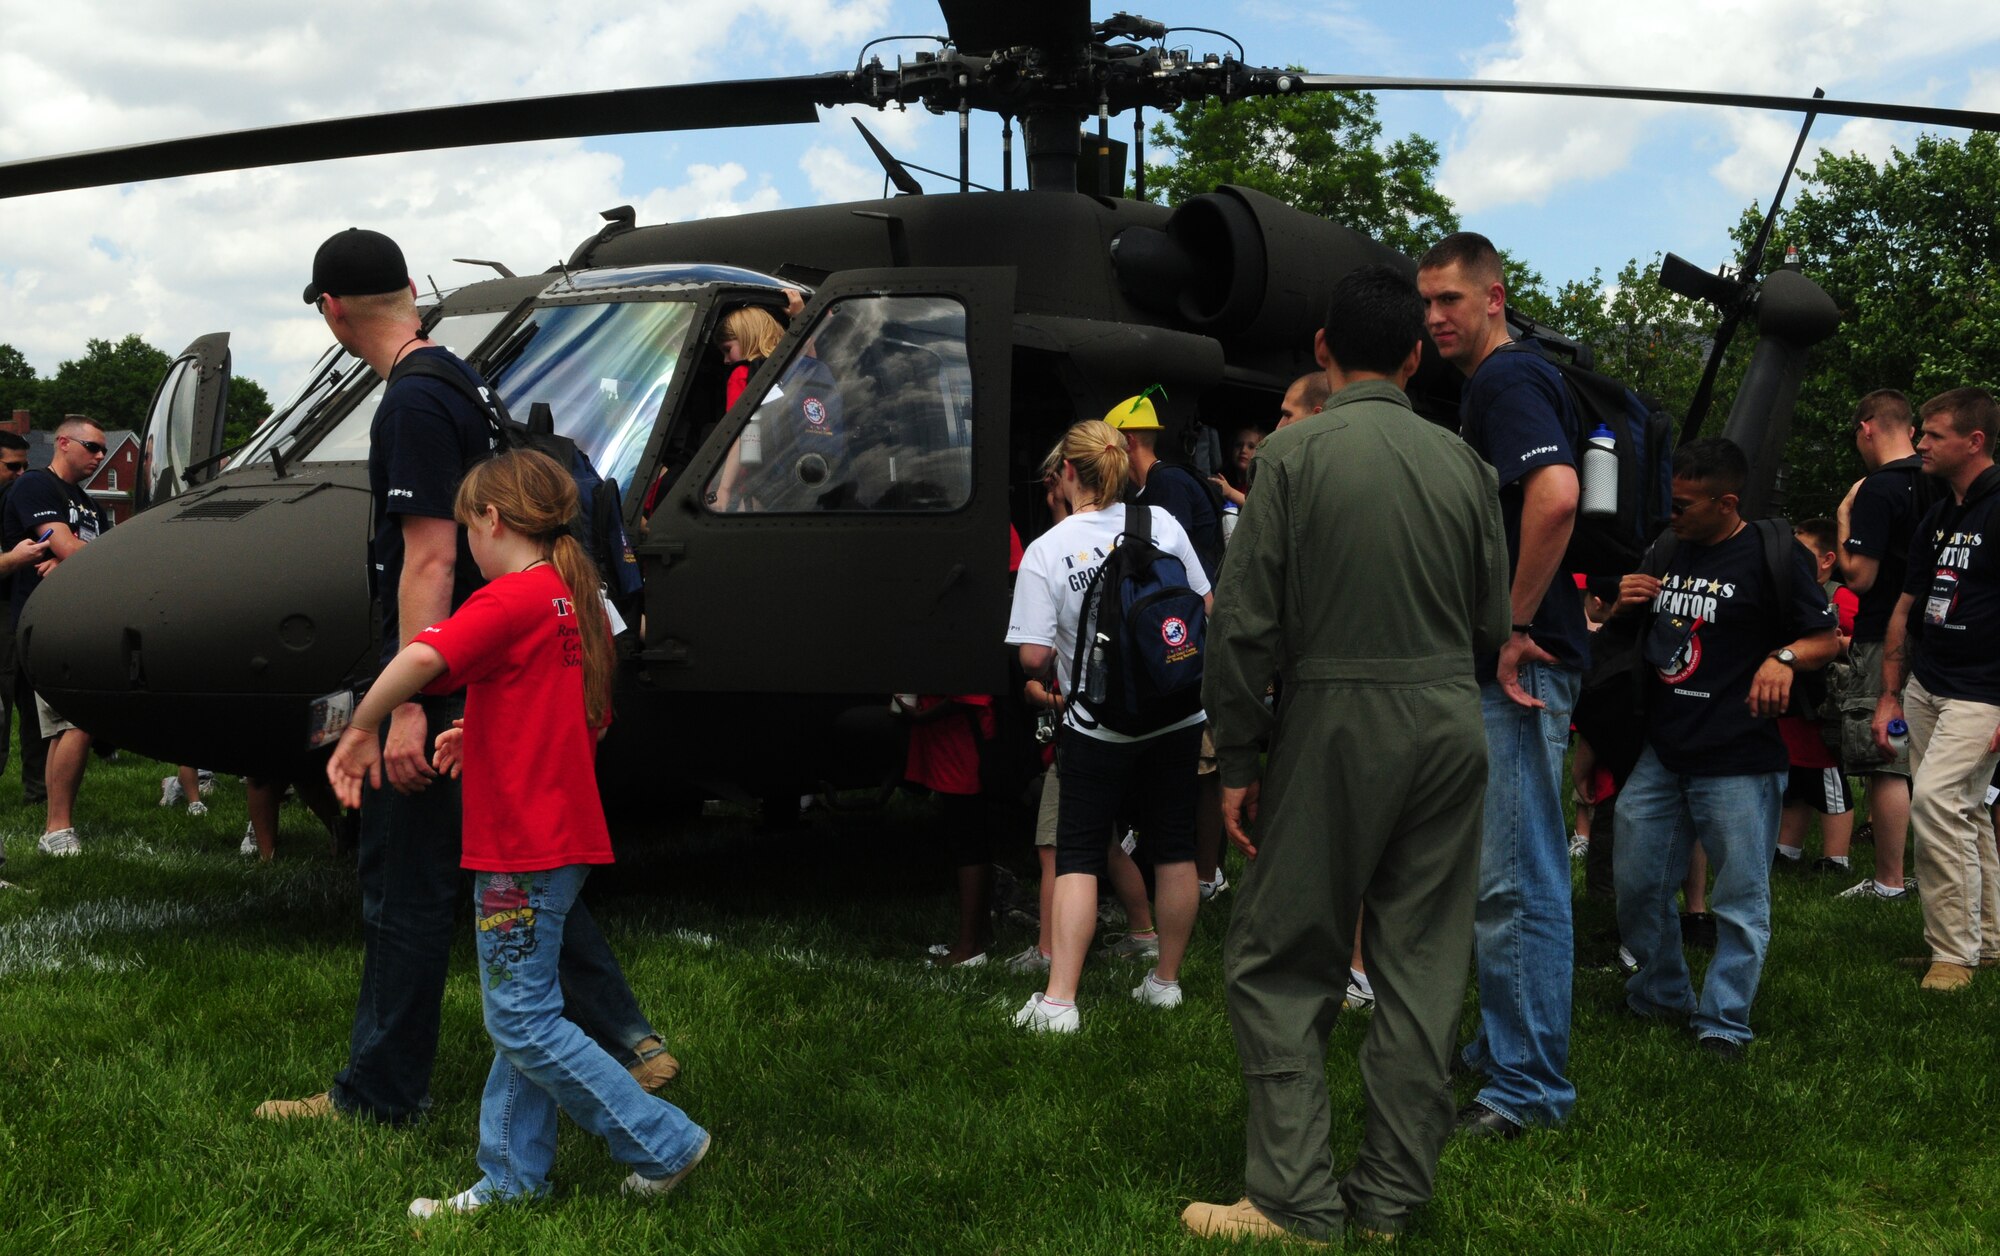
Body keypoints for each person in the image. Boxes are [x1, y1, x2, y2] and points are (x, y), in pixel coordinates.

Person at [257, 228, 677, 1123]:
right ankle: (628, 1038)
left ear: (331, 311)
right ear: (411, 288)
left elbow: (430, 562)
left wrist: (406, 707)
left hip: (440, 676)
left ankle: (377, 1095)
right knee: (509, 868)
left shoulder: (409, 402)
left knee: (404, 890)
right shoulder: (460, 378)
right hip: (488, 673)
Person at [1183, 264, 1508, 1244]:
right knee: (1421, 959)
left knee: (1277, 957)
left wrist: (1236, 754)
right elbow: (1492, 620)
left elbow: (1241, 626)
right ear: (1414, 354)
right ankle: (1389, 1199)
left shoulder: (1290, 456)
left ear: (1320, 350)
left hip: (1334, 716)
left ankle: (1289, 1196)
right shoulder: (1467, 465)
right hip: (1451, 717)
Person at [328, 449, 709, 1216]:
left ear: (490, 521)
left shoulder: (511, 598)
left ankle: (664, 1142)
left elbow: (421, 655)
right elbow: (578, 711)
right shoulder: (574, 596)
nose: (467, 541)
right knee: (524, 1012)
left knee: (522, 1019)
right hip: (556, 839)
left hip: (523, 849)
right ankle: (510, 1177)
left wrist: (362, 725)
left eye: (468, 526)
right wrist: (482, 729)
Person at [1417, 231, 1588, 1138]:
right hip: (1524, 658)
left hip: (1523, 666)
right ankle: (1504, 1048)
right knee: (1507, 870)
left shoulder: (1506, 380)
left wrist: (1513, 627)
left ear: (1495, 296)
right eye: (1427, 302)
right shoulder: (1501, 382)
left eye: (1451, 299)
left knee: (1514, 879)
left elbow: (1555, 494)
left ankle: (1527, 1091)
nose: (1436, 316)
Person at [1598, 438, 1838, 1058]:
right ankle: (1661, 992)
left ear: (1727, 502)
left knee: (1740, 896)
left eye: (1684, 505)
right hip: (1664, 746)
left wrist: (1783, 657)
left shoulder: (1771, 555)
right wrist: (1624, 603)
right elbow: (1638, 632)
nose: (1671, 514)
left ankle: (1724, 1021)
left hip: (1739, 756)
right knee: (1637, 881)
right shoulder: (1668, 547)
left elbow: (1827, 638)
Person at [1004, 419, 1211, 1032]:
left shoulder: (1048, 549)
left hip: (1099, 726)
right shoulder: (1162, 526)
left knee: (1076, 856)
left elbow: (1034, 658)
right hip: (1176, 715)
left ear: (1067, 472)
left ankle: (1060, 1001)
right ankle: (1165, 982)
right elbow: (1202, 605)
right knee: (1174, 847)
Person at [1871, 387, 2000, 991]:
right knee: (1967, 812)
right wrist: (1892, 693)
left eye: (1934, 435)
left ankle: (1952, 956)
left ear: (1974, 442)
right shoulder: (1940, 512)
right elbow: (1904, 607)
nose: (1920, 443)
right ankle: (1988, 941)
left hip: (1984, 690)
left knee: (1937, 802)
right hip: (1929, 682)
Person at [1835, 389, 1927, 900]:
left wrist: (1845, 518)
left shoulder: (1878, 488)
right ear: (1912, 430)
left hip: (1882, 633)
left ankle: (1890, 880)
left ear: (1867, 427)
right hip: (1937, 633)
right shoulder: (1938, 479)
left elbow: (1861, 577)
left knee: (1886, 758)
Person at [2, 417, 106, 857]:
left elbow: (87, 553)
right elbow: (63, 546)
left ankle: (55, 823)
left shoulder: (88, 503)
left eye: (104, 450)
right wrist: (73, 559)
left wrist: (75, 561)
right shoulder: (35, 488)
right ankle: (56, 829)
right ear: (62, 443)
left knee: (64, 724)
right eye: (92, 447)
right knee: (74, 719)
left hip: (74, 620)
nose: (100, 456)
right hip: (41, 621)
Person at [1774, 518, 1859, 873]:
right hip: (1790, 706)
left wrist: (1837, 643)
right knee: (1795, 778)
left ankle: (1836, 857)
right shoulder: (1786, 592)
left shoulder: (1843, 597)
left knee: (1828, 780)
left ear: (1826, 559)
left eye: (1802, 553)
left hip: (1823, 709)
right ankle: (1786, 848)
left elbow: (1868, 644)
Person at [1106, 390, 1222, 585]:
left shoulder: (1167, 482)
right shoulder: (1156, 483)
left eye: (1107, 447)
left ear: (1128, 442)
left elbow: (1174, 557)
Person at [0, 429, 46, 805]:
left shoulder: (22, 500)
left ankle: (38, 789)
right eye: (11, 466)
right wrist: (15, 559)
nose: (20, 474)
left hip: (25, 609)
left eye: (25, 467)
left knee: (32, 704)